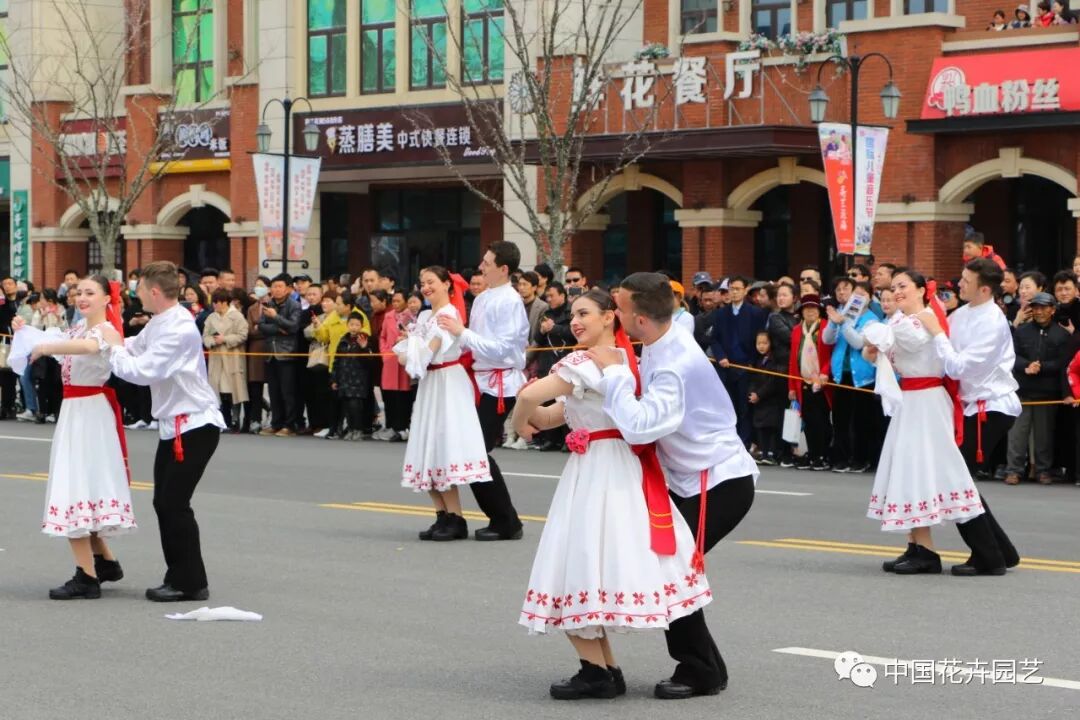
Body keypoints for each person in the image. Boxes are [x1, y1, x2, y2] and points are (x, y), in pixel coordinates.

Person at [514, 289, 711, 700]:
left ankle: (598, 672)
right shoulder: (627, 363)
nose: (576, 321)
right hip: (623, 467)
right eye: (572, 315)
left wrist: (518, 420)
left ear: (609, 318)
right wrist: (533, 419)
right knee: (595, 561)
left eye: (585, 313)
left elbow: (531, 399)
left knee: (577, 561)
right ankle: (602, 670)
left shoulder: (582, 361)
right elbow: (555, 415)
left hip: (598, 472)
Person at [589, 272, 757, 701]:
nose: (615, 315)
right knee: (670, 566)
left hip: (716, 480)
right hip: (692, 477)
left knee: (671, 570)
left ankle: (700, 670)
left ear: (641, 318)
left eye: (620, 309)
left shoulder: (674, 363)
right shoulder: (661, 341)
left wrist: (615, 377)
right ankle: (706, 666)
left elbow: (641, 427)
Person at [104, 261, 225, 602]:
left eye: (139, 289)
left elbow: (142, 370)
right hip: (174, 425)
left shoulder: (179, 328)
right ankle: (179, 575)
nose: (136, 294)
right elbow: (134, 347)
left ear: (154, 291)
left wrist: (110, 348)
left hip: (195, 424)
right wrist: (104, 339)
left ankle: (190, 582)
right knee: (164, 502)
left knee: (174, 503)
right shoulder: (159, 322)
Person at [13, 276, 135, 599]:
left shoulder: (105, 330)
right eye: (79, 292)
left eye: (90, 293)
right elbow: (57, 341)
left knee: (74, 485)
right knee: (84, 484)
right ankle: (104, 562)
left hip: (90, 413)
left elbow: (90, 348)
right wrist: (25, 330)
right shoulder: (77, 328)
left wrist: (47, 346)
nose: (81, 297)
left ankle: (87, 577)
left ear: (107, 299)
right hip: (77, 412)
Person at [862, 269, 985, 575]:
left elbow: (910, 342)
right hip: (911, 401)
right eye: (893, 288)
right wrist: (873, 350)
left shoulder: (923, 319)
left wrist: (878, 338)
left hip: (927, 400)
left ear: (920, 290)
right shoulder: (900, 321)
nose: (897, 292)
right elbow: (887, 352)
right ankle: (917, 544)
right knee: (907, 469)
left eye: (903, 286)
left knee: (919, 469)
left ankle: (927, 550)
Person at [920, 258, 1022, 576]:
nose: (959, 284)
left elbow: (960, 366)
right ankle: (1001, 551)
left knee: (956, 481)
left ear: (985, 288)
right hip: (968, 406)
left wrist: (937, 334)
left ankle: (988, 557)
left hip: (991, 407)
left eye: (966, 281)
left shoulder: (993, 321)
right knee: (960, 481)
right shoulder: (962, 314)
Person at [437, 241, 529, 541]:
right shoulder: (483, 298)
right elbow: (469, 340)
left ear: (504, 268)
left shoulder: (510, 301)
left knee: (476, 452)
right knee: (472, 451)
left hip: (500, 383)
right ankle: (503, 519)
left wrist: (460, 333)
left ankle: (506, 520)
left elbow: (503, 349)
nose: (482, 267)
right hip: (480, 380)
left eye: (488, 263)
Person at [397, 267, 492, 540]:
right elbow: (413, 354)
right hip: (432, 384)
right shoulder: (426, 315)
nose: (426, 287)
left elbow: (421, 357)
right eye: (422, 282)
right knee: (428, 444)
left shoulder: (449, 315)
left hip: (447, 382)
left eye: (431, 282)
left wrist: (410, 350)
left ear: (446, 284)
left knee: (444, 445)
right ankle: (441, 515)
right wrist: (410, 350)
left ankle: (456, 518)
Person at [1002, 292, 1069, 485]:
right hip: (1022, 389)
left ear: (1052, 310)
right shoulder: (1022, 331)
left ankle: (1042, 470)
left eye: (1043, 307)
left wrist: (1042, 367)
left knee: (1044, 435)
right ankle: (1013, 470)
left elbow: (1062, 362)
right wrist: (1026, 366)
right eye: (1036, 307)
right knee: (1017, 433)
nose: (1039, 311)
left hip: (1047, 392)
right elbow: (1012, 355)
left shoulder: (1061, 334)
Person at [824, 281, 882, 473]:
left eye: (862, 294)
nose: (858, 298)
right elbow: (827, 339)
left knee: (861, 421)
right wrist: (834, 322)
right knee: (840, 419)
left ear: (869, 297)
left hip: (862, 376)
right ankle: (841, 458)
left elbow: (858, 343)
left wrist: (843, 324)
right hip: (841, 374)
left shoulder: (872, 319)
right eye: (855, 294)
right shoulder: (843, 313)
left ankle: (860, 458)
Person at [710, 275, 768, 448]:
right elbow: (714, 339)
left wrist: (752, 361)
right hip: (726, 365)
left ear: (745, 290)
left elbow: (760, 339)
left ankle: (744, 441)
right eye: (731, 289)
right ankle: (730, 439)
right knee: (729, 404)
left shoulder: (755, 313)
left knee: (745, 406)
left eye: (737, 289)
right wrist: (721, 357)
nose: (733, 293)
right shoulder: (721, 313)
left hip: (746, 365)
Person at [788, 295, 833, 470]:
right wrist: (791, 385)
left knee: (822, 420)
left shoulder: (825, 327)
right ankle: (813, 454)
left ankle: (822, 454)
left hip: (821, 382)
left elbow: (830, 354)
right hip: (803, 381)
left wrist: (824, 373)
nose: (810, 311)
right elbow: (793, 360)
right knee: (808, 419)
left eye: (813, 308)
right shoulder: (797, 330)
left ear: (819, 310)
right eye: (806, 308)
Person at [257, 273, 302, 436]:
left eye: (279, 286)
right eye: (274, 287)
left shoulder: (294, 305)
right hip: (270, 353)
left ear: (288, 289)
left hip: (287, 353)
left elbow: (293, 327)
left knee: (287, 391)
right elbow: (261, 326)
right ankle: (276, 423)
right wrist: (279, 329)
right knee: (273, 391)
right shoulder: (268, 304)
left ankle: (290, 425)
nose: (276, 290)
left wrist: (276, 317)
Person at [203, 289, 249, 431]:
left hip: (232, 356)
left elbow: (243, 335)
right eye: (214, 302)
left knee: (234, 389)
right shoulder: (211, 317)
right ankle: (224, 418)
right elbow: (205, 336)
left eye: (217, 302)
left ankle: (235, 419)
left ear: (225, 302)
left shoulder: (237, 316)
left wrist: (226, 339)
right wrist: (212, 341)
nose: (215, 305)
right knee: (219, 389)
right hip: (217, 357)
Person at [333, 309, 374, 440]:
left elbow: (369, 361)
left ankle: (358, 429)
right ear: (347, 325)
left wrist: (364, 348)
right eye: (352, 324)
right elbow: (336, 361)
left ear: (361, 326)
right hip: (344, 379)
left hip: (358, 380)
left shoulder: (364, 339)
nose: (354, 327)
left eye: (357, 325)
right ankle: (350, 428)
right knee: (346, 406)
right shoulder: (343, 340)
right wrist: (334, 379)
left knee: (356, 406)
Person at [749, 330, 786, 466]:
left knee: (771, 426)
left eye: (765, 343)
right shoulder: (757, 360)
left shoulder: (774, 360)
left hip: (770, 399)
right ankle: (763, 452)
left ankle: (771, 453)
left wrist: (760, 394)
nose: (761, 346)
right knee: (760, 426)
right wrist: (752, 393)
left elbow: (772, 381)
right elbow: (753, 379)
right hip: (759, 399)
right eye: (759, 343)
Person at [244, 276, 272, 434]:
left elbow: (274, 327)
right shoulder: (251, 308)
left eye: (261, 285)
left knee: (275, 386)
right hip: (255, 350)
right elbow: (249, 331)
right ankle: (255, 419)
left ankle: (274, 417)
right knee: (255, 387)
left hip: (271, 348)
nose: (258, 288)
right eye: (256, 286)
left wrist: (259, 327)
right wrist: (258, 329)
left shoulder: (273, 305)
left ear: (268, 288)